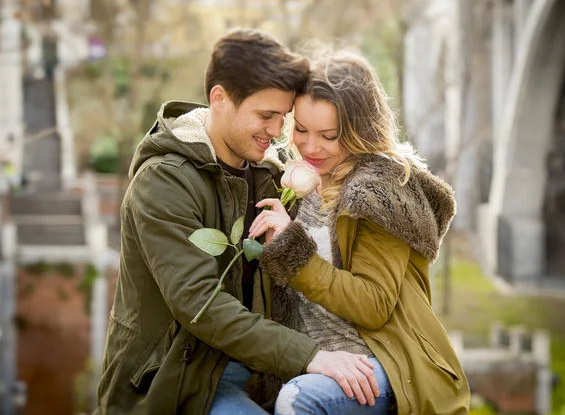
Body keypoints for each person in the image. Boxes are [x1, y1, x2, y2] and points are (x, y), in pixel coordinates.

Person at [95, 30, 379, 415]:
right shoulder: (164, 181)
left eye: (283, 117)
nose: (277, 132)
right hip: (179, 379)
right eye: (265, 116)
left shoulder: (269, 175)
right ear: (220, 99)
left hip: (258, 370)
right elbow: (199, 304)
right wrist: (311, 356)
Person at [249, 50, 472, 414]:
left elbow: (372, 305)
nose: (309, 146)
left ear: (359, 131)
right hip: (315, 362)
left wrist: (292, 251)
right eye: (301, 129)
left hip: (383, 363)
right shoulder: (294, 183)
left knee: (299, 401)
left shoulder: (378, 192)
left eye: (329, 135)